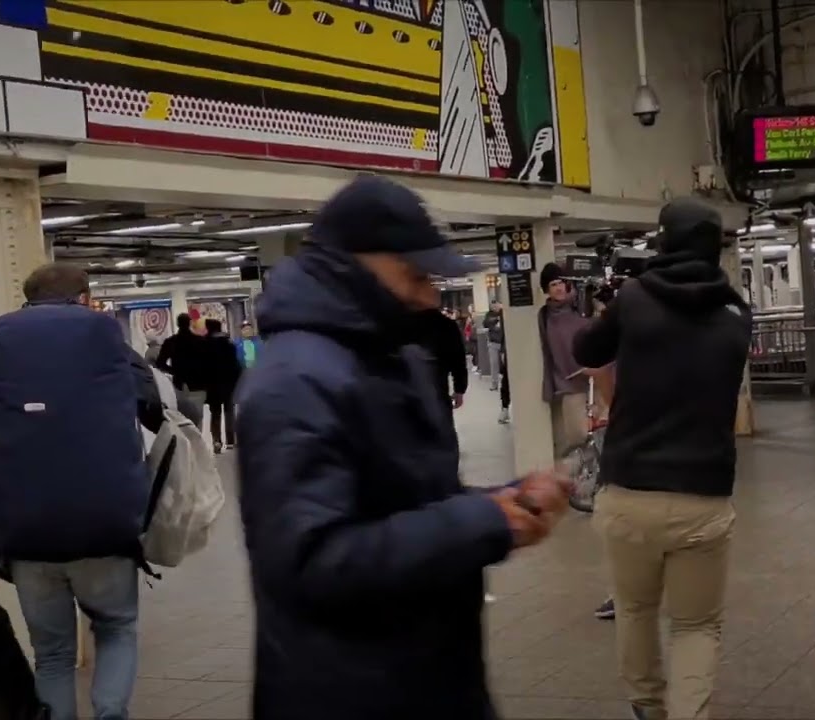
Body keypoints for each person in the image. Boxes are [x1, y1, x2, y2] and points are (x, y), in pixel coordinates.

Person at [234, 176, 571, 720]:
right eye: (415, 275)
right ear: (355, 264)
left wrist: (505, 501)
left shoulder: (389, 356)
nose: (429, 295)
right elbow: (311, 562)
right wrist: (481, 522)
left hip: (423, 676)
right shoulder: (295, 382)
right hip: (346, 695)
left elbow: (412, 500)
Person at [0, 263, 164, 720]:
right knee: (117, 627)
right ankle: (110, 714)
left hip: (24, 534)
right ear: (84, 298)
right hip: (103, 526)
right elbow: (152, 406)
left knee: (51, 654)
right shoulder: (103, 338)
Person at [573, 197, 752, 720]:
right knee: (697, 625)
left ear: (664, 241)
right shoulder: (738, 313)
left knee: (635, 609)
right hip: (703, 496)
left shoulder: (633, 299)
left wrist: (609, 310)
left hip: (630, 490)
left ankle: (648, 708)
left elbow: (587, 350)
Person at [538, 263, 592, 457]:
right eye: (553, 284)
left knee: (595, 434)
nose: (559, 288)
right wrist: (549, 386)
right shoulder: (544, 315)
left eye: (561, 283)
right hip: (565, 383)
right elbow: (546, 352)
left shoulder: (582, 307)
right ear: (546, 289)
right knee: (573, 438)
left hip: (592, 379)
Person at [408, 307, 470, 436]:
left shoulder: (397, 322)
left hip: (407, 391)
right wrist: (459, 389)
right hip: (437, 389)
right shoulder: (445, 325)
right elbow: (458, 359)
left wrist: (460, 388)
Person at [156, 313, 211, 424]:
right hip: (198, 384)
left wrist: (174, 371)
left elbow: (160, 363)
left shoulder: (171, 342)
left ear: (177, 324)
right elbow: (208, 362)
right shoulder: (200, 341)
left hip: (179, 384)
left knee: (182, 419)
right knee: (197, 417)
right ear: (189, 323)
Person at [203, 319, 242, 453]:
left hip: (212, 385)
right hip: (228, 385)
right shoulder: (229, 344)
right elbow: (236, 365)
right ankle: (230, 440)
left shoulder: (205, 344)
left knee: (215, 413)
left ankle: (216, 441)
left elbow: (202, 367)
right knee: (229, 412)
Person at [483, 302, 504, 391]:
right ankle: (494, 384)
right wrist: (496, 319)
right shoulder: (489, 315)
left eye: (497, 305)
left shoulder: (504, 313)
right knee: (494, 364)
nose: (495, 307)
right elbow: (485, 323)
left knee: (505, 363)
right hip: (493, 342)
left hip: (503, 342)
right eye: (493, 306)